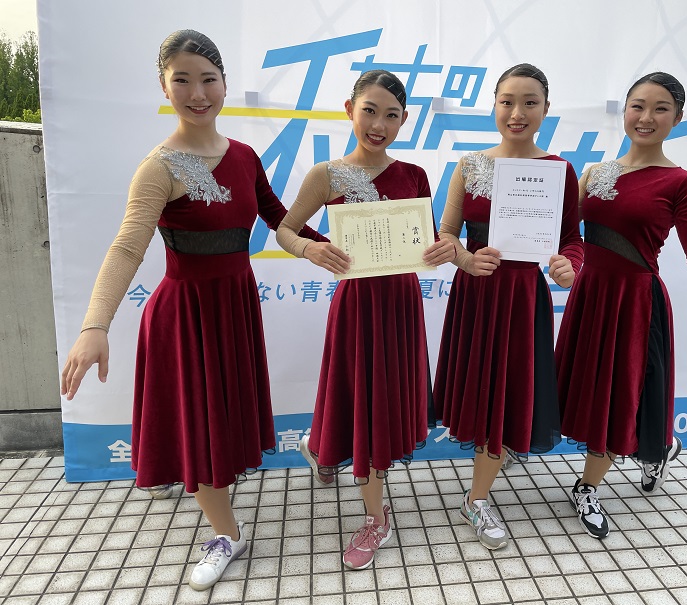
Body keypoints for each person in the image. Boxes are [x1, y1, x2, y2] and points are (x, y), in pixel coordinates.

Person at [59, 29, 325, 590]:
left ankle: (211, 496)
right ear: (164, 87)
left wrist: (323, 249)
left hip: (235, 308)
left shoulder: (245, 157)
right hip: (186, 317)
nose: (197, 93)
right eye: (182, 80)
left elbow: (279, 219)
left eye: (208, 79)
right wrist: (94, 324)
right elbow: (127, 247)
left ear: (225, 83)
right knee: (200, 428)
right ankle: (227, 533)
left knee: (217, 422)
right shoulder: (158, 167)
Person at [555, 71, 687, 539]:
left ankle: (587, 487)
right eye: (637, 105)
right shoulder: (595, 173)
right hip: (590, 297)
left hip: (635, 303)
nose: (646, 117)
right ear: (624, 110)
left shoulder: (680, 182)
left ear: (677, 117)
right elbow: (567, 233)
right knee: (586, 388)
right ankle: (661, 444)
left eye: (660, 108)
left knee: (620, 394)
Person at [276, 69, 456, 570]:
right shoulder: (326, 174)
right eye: (370, 111)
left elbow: (428, 238)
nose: (379, 125)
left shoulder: (414, 175)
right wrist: (312, 249)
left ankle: (325, 451)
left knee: (382, 403)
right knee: (360, 400)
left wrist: (442, 249)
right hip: (356, 307)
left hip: (401, 306)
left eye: (391, 116)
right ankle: (377, 517)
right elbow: (285, 230)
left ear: (405, 120)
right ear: (349, 109)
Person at [433, 64, 583, 550]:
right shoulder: (470, 164)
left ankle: (476, 497)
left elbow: (572, 239)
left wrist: (570, 265)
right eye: (507, 102)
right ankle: (482, 485)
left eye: (529, 103)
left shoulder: (559, 170)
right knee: (481, 389)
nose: (517, 113)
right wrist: (465, 259)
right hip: (476, 295)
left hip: (523, 298)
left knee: (508, 389)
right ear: (494, 106)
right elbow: (447, 233)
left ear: (545, 108)